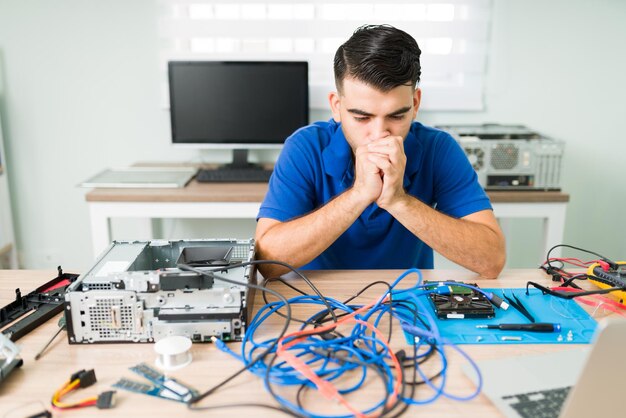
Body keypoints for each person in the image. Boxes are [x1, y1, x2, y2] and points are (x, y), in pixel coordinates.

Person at [255, 24, 505, 279]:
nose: (379, 134)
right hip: (315, 303)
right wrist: (359, 194)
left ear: (415, 104)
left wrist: (399, 201)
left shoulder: (438, 148)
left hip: (408, 302)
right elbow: (268, 263)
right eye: (362, 117)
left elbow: (491, 261)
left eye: (397, 116)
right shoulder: (305, 147)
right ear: (337, 106)